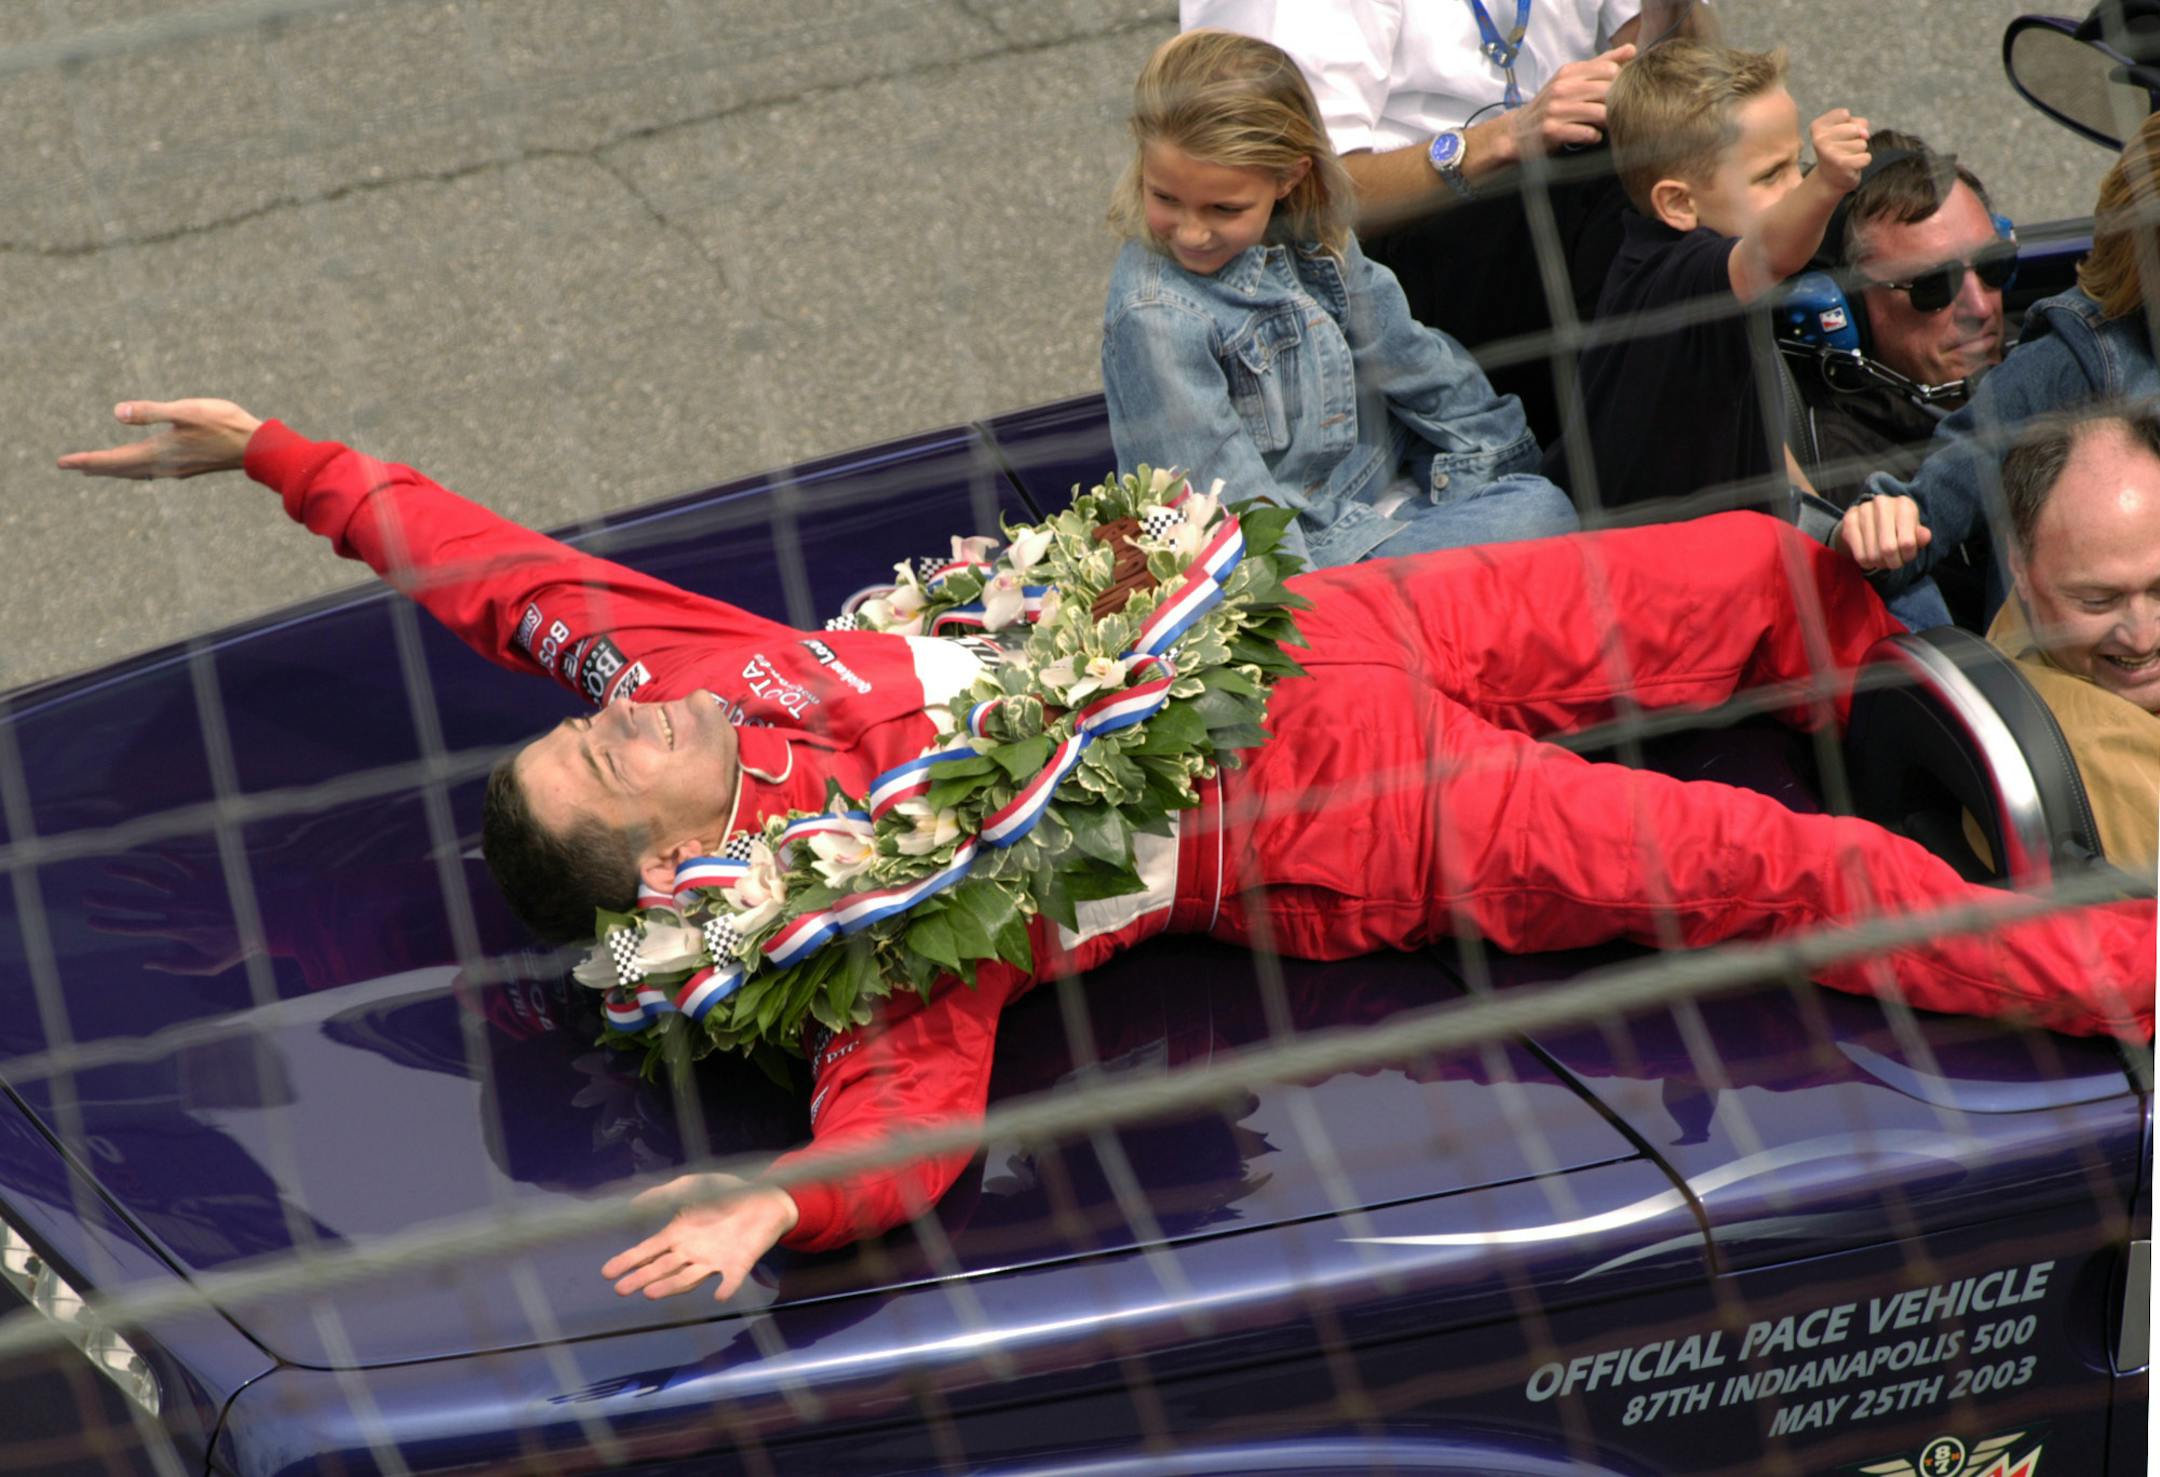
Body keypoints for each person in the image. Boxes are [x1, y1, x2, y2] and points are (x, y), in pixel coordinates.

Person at [58, 398, 2155, 1303]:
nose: (625, 713)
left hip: (1322, 636)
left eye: (593, 719)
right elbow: (911, 1116)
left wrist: (278, 458)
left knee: (1729, 573)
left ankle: (2008, 694)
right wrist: (787, 1209)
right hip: (1359, 819)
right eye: (610, 767)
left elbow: (495, 574)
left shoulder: (716, 675)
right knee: (1760, 873)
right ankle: (2123, 970)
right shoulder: (867, 916)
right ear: (680, 881)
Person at [1102, 29, 1578, 571]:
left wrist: (1501, 459)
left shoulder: (1313, 230)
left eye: (1223, 209)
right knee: (1543, 514)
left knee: (1541, 481)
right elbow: (1230, 523)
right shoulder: (1157, 316)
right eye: (1165, 197)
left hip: (1360, 468)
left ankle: (1425, 543)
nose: (1189, 233)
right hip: (1292, 537)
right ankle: (1403, 571)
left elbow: (1414, 360)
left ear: (1290, 178)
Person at [1182, 1, 1714, 443]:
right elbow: (1299, 200)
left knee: (1717, 162)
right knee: (1618, 199)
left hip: (1548, 206)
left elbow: (1696, 83)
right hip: (1367, 269)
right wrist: (1503, 140)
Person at [1852, 110, 2160, 622]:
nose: (1977, 308)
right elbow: (1917, 527)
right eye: (1933, 285)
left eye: (1992, 268)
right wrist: (1874, 528)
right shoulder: (2071, 362)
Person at [1548, 42, 1872, 516]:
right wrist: (1827, 183)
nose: (1795, 187)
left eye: (1796, 163)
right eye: (1770, 176)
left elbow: (1760, 434)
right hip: (1640, 566)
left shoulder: (1712, 274)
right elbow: (1771, 253)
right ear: (1678, 204)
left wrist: (1827, 527)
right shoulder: (1679, 275)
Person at [1990, 411, 2160, 870]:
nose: (2143, 637)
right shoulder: (2106, 760)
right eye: (2098, 601)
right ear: (2020, 568)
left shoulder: (2031, 622)